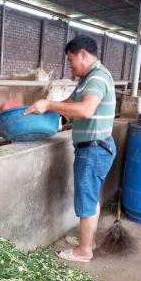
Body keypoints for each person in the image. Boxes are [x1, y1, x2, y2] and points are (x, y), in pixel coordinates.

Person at [24, 35, 116, 262]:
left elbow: (85, 110)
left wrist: (48, 104)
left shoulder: (97, 78)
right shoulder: (87, 78)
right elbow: (68, 103)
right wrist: (46, 107)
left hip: (93, 150)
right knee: (91, 197)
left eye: (71, 59)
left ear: (83, 54)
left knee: (86, 200)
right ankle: (90, 241)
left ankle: (84, 251)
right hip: (94, 147)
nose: (70, 65)